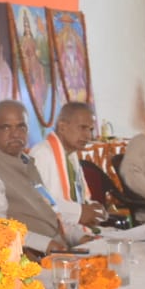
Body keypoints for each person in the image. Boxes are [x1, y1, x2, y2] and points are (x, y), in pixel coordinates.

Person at [0, 100, 69, 255]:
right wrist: (45, 244)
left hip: (57, 248)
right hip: (27, 256)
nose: (15, 134)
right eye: (6, 127)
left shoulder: (26, 162)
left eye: (21, 127)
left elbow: (50, 209)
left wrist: (77, 235)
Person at [28, 101, 106, 239]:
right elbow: (39, 204)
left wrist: (95, 210)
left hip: (75, 232)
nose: (88, 136)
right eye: (82, 128)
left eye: (90, 129)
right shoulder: (42, 154)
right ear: (62, 127)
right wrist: (80, 212)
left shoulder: (71, 155)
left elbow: (78, 198)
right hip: (52, 238)